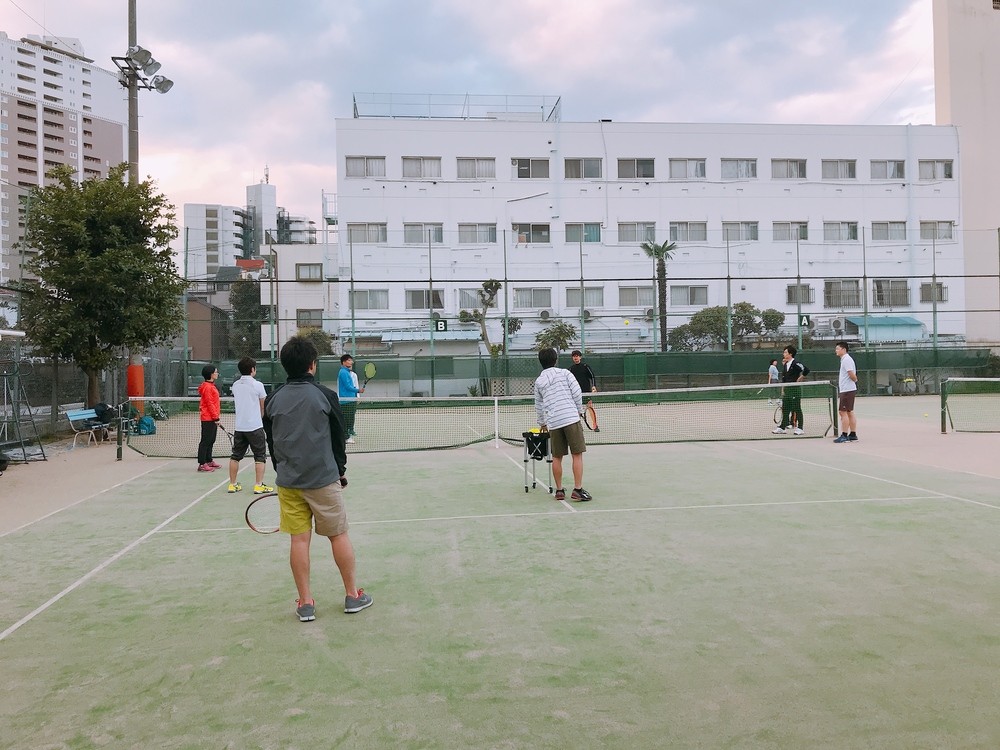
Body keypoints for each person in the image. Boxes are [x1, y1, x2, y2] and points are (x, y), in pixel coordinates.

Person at [263, 337, 372, 621]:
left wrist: (281, 470)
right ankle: (352, 596)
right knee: (338, 535)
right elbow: (339, 438)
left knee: (299, 542)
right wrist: (341, 470)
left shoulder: (273, 399)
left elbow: (272, 442)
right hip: (324, 480)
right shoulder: (326, 396)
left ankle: (306, 603)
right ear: (313, 365)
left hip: (288, 482)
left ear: (285, 366)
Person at [534, 347, 592, 502]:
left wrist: (542, 423)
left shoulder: (539, 381)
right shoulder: (566, 373)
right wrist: (578, 411)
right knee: (577, 454)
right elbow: (577, 393)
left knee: (557, 457)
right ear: (555, 360)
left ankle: (559, 491)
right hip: (571, 418)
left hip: (553, 422)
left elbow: (538, 404)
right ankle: (577, 490)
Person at [228, 356, 273, 495]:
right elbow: (263, 406)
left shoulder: (235, 385)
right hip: (255, 427)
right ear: (253, 369)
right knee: (260, 456)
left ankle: (232, 484)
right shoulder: (257, 385)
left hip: (239, 427)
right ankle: (258, 485)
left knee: (235, 456)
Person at [772, 345, 809, 435]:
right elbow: (784, 379)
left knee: (797, 408)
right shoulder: (785, 365)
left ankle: (800, 428)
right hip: (787, 390)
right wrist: (783, 389)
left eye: (785, 352)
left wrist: (799, 379)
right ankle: (782, 427)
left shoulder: (796, 364)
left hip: (795, 389)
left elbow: (806, 370)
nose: (783, 354)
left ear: (790, 354)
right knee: (785, 409)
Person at [833, 341, 859, 443]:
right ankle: (853, 435)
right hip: (847, 389)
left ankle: (844, 435)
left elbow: (851, 374)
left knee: (842, 412)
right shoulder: (845, 359)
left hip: (847, 390)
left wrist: (855, 380)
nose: (836, 351)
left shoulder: (846, 360)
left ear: (843, 350)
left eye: (838, 349)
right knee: (849, 411)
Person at [197, 364, 221, 472]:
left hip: (212, 418)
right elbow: (209, 403)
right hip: (208, 418)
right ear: (211, 374)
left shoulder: (211, 386)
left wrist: (216, 417)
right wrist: (215, 418)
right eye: (215, 372)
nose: (217, 373)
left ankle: (209, 460)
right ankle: (202, 463)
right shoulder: (207, 387)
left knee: (211, 440)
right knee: (206, 441)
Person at [338, 354, 364, 444]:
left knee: (349, 419)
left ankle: (346, 436)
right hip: (346, 400)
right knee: (347, 419)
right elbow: (348, 386)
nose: (351, 362)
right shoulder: (343, 372)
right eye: (349, 360)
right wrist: (358, 390)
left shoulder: (347, 372)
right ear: (344, 362)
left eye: (351, 360)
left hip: (350, 399)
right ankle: (346, 437)